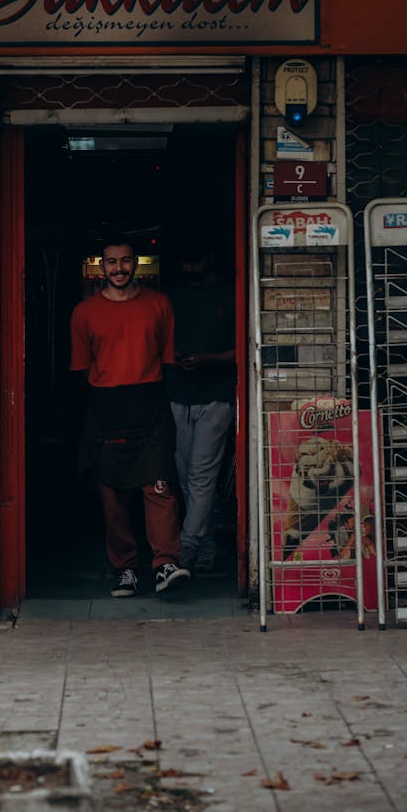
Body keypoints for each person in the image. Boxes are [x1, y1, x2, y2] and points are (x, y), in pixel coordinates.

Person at [70, 237, 191, 597]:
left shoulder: (159, 304)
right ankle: (124, 569)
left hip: (150, 403)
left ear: (135, 263)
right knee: (112, 493)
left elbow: (167, 360)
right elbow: (81, 368)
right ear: (101, 266)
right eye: (111, 262)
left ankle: (165, 563)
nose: (119, 269)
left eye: (125, 261)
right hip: (105, 406)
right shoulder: (84, 312)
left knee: (160, 486)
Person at [166, 239, 236, 573]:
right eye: (184, 262)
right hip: (177, 392)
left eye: (195, 261)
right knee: (184, 475)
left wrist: (208, 360)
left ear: (209, 257)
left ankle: (188, 545)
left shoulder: (228, 293)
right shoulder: (173, 295)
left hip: (216, 394)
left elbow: (244, 347)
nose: (189, 268)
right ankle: (206, 539)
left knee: (201, 475)